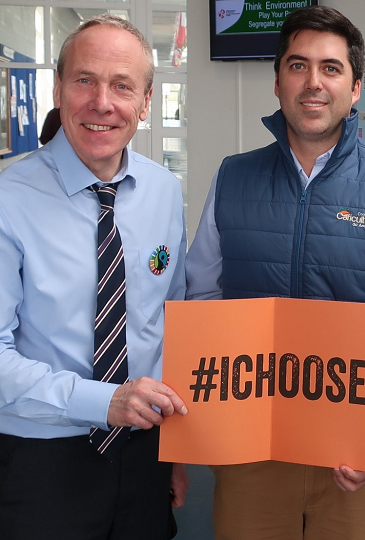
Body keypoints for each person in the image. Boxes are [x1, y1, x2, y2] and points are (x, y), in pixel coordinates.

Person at [185, 5, 365, 540]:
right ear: (277, 80)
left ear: (355, 86)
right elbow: (200, 300)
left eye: (331, 68)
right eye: (298, 66)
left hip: (355, 461)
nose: (313, 83)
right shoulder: (233, 178)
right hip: (252, 451)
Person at [0, 14, 188, 540]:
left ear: (146, 102)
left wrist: (178, 448)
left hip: (145, 450)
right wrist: (102, 401)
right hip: (42, 458)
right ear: (59, 89)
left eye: (122, 85)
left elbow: (174, 322)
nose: (102, 102)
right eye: (85, 80)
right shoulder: (8, 201)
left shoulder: (163, 192)